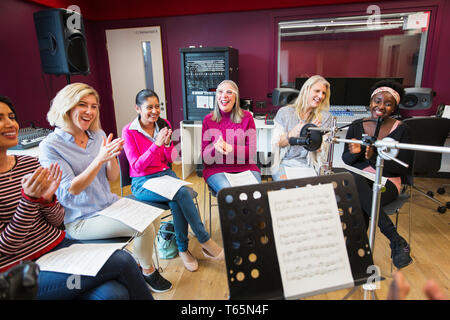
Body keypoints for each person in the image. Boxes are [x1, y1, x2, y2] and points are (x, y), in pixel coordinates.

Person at [0, 95, 153, 300]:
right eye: (0, 118)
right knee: (123, 262)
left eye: (11, 116)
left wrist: (47, 201)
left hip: (57, 249)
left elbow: (56, 221)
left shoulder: (27, 163)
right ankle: (147, 272)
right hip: (18, 272)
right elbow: (7, 247)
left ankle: (145, 271)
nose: (10, 123)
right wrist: (30, 201)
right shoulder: (50, 146)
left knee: (114, 294)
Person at [38, 83, 172, 293]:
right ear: (66, 107)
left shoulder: (96, 134)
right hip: (82, 219)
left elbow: (113, 177)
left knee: (154, 217)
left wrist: (110, 159)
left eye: (94, 106)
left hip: (109, 205)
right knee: (145, 228)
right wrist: (100, 159)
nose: (90, 111)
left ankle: (137, 264)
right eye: (83, 105)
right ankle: (147, 271)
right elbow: (71, 189)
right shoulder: (51, 146)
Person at [122, 89, 224, 272]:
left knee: (177, 198)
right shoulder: (129, 131)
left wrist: (168, 145)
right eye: (148, 108)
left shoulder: (163, 124)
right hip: (142, 182)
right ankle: (203, 239)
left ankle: (184, 249)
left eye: (156, 106)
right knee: (181, 193)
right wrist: (156, 145)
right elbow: (137, 167)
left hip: (165, 176)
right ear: (137, 108)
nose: (154, 111)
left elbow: (170, 158)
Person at [341, 79, 414, 269]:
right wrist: (354, 153)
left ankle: (358, 257)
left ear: (395, 107)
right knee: (355, 180)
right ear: (371, 101)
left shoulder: (402, 130)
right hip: (360, 178)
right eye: (378, 101)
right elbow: (347, 160)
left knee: (357, 197)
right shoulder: (357, 125)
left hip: (387, 182)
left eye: (388, 104)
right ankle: (395, 239)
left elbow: (403, 168)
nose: (381, 107)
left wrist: (374, 157)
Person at [201, 80, 261, 194]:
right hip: (217, 170)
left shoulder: (247, 117)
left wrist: (231, 148)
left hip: (245, 167)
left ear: (236, 97)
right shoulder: (208, 120)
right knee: (232, 196)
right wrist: (215, 148)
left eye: (229, 92)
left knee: (256, 196)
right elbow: (205, 158)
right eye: (220, 92)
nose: (224, 95)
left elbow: (252, 152)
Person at [270, 75, 333, 181]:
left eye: (323, 93)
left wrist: (314, 136)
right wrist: (292, 133)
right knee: (286, 191)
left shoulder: (325, 117)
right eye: (317, 91)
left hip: (310, 166)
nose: (320, 96)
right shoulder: (285, 112)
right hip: (285, 164)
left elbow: (322, 151)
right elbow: (277, 143)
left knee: (312, 194)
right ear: (306, 90)